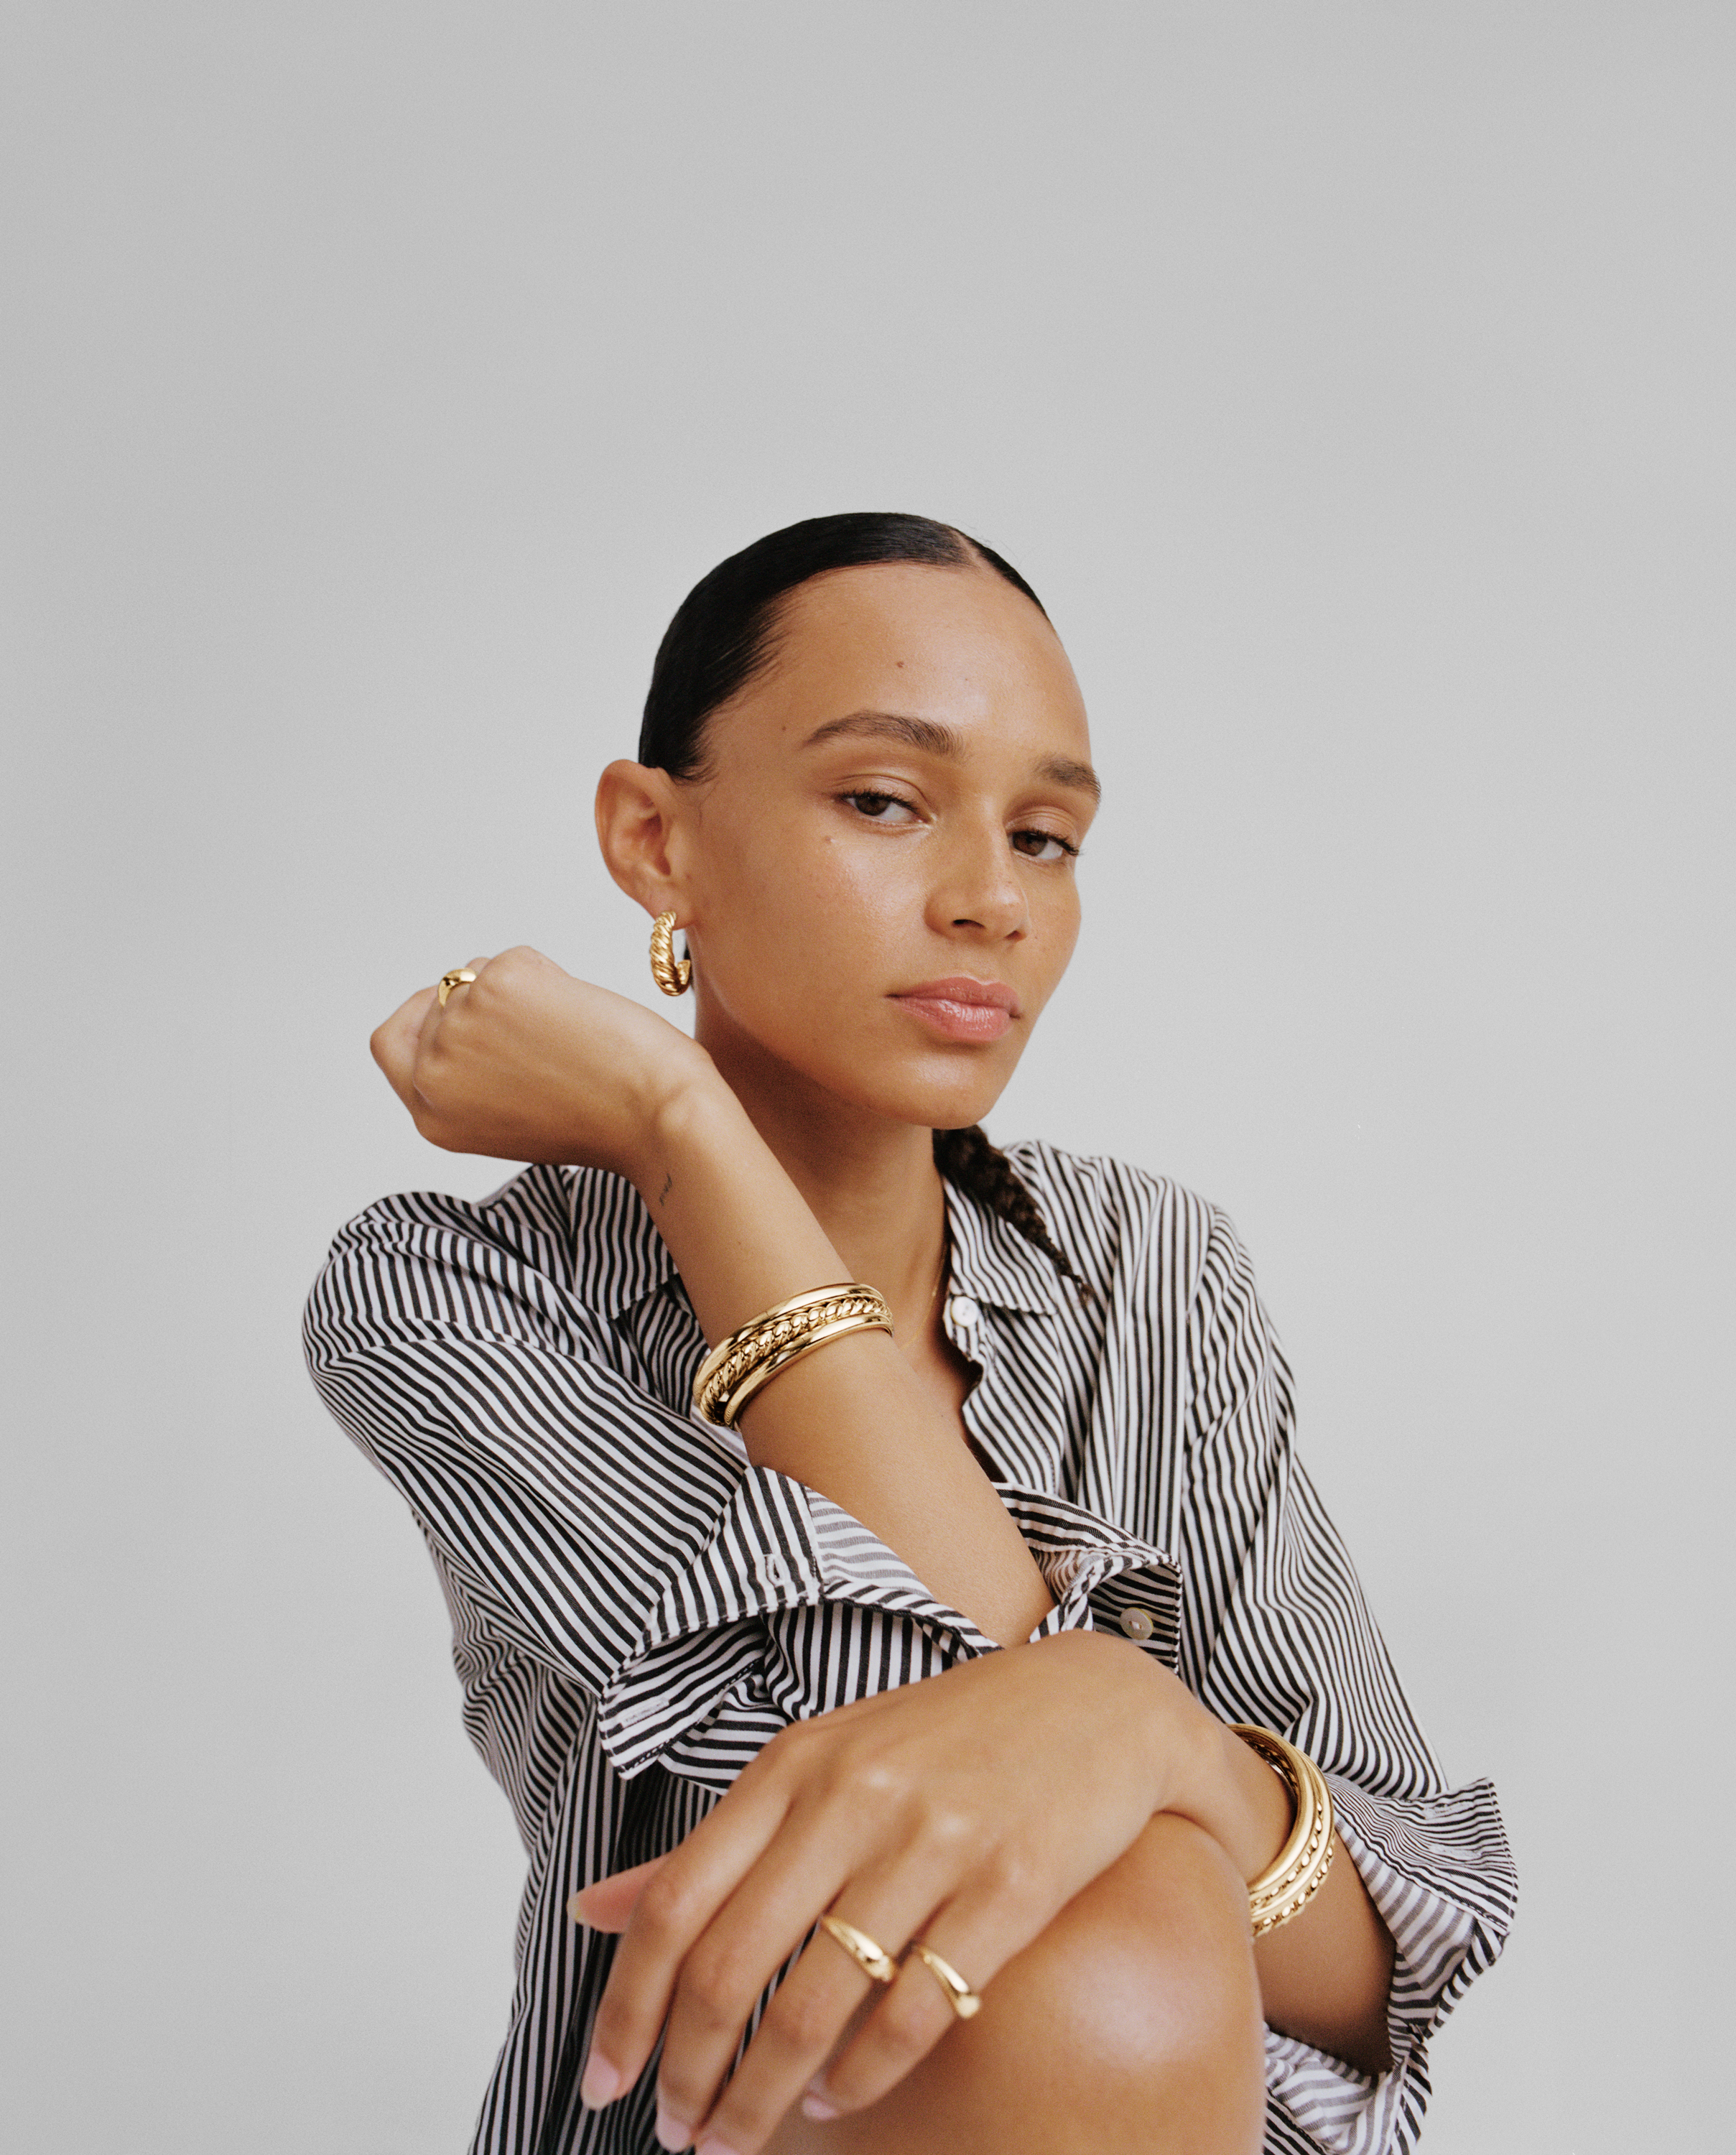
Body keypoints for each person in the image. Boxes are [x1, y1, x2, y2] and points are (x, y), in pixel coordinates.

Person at [304, 514, 1516, 2155]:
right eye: (883, 801)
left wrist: (1132, 1724)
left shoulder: (1155, 1272)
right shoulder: (446, 1296)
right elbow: (919, 1766)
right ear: (653, 841)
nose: (989, 904)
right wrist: (681, 1128)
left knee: (1122, 1937)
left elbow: (1394, 1953)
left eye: (1045, 838)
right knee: (1076, 1957)